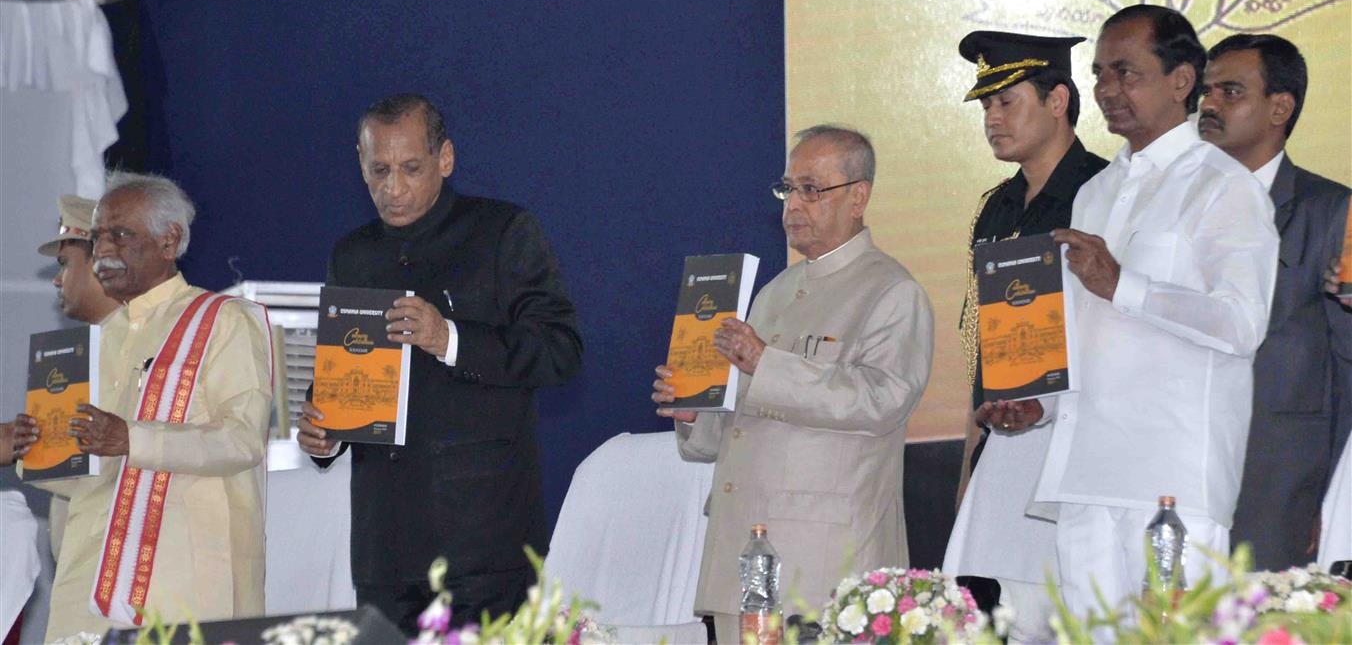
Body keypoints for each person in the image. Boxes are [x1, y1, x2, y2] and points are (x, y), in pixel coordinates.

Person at [297, 93, 582, 635]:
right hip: (384, 550)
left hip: (484, 545)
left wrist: (448, 337)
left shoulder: (503, 232)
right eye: (378, 170)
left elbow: (560, 351)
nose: (393, 187)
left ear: (445, 159)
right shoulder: (351, 254)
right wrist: (324, 428)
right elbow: (346, 364)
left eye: (410, 169)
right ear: (360, 165)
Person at [1037, 5, 1278, 616]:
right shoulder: (1093, 192)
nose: (1106, 90)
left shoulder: (1227, 187)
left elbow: (1242, 324)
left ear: (1182, 80)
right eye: (1099, 74)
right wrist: (1031, 402)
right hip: (1085, 476)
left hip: (1172, 482)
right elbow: (1083, 330)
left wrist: (1126, 285)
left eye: (1126, 72)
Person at [652, 125, 933, 645]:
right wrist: (697, 414)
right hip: (743, 558)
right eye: (788, 188)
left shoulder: (891, 290)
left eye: (811, 188)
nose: (793, 205)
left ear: (858, 196)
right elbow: (744, 422)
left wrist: (765, 363)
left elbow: (882, 401)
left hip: (825, 569)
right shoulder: (775, 292)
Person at [20, 172, 274, 641]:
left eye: (121, 234)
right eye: (98, 238)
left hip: (182, 582)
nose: (106, 251)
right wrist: (34, 448)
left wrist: (131, 438)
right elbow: (87, 471)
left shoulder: (224, 320)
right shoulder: (96, 341)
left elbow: (242, 439)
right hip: (88, 581)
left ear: (169, 240)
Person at [942, 31, 1106, 641]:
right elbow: (980, 340)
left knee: (1070, 617)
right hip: (1003, 443)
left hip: (1074, 444)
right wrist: (971, 459)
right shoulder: (997, 207)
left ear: (1058, 100)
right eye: (986, 106)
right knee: (986, 616)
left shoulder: (1103, 193)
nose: (992, 118)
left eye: (1006, 101)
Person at [1197, 33, 1352, 571]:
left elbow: (1345, 366)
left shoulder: (1330, 211)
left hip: (1277, 481)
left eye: (1231, 92)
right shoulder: (1177, 205)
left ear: (1279, 108)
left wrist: (1330, 496)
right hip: (1183, 465)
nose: (1210, 104)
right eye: (1206, 91)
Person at [4, 195, 121, 467]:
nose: (56, 280)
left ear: (100, 262)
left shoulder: (143, 341)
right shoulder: (89, 347)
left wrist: (25, 448)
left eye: (65, 263)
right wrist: (27, 442)